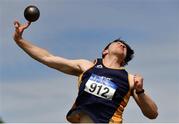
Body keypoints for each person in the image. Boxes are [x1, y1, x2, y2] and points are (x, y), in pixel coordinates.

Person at [13, 21, 158, 123]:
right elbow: (47, 58)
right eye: (118, 42)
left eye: (125, 47)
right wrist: (20, 40)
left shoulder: (130, 80)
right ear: (105, 51)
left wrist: (140, 91)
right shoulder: (87, 66)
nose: (122, 44)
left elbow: (152, 114)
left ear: (125, 59)